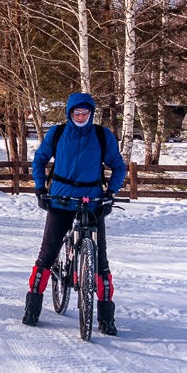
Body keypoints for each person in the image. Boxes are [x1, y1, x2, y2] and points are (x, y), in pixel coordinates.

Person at [22, 92, 127, 334]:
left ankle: (106, 318)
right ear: (69, 113)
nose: (80, 117)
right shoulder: (57, 134)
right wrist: (40, 189)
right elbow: (39, 160)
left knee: (101, 262)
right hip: (60, 199)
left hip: (92, 202)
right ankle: (32, 309)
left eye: (85, 113)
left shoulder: (102, 135)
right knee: (47, 255)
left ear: (91, 114)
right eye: (76, 113)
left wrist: (110, 192)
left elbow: (118, 165)